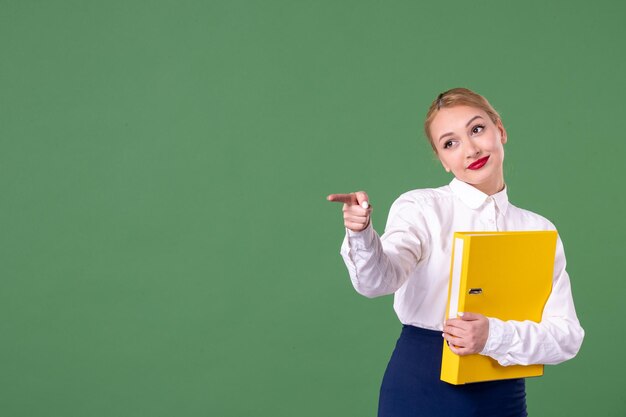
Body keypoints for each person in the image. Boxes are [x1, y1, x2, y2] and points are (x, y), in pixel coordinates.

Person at [327, 88, 584, 417]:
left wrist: (494, 334)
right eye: (450, 143)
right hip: (421, 387)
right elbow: (378, 281)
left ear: (500, 130)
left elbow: (567, 337)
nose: (470, 149)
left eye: (477, 129)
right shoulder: (421, 207)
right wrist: (361, 233)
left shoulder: (539, 229)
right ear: (443, 160)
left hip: (503, 394)